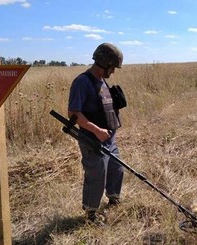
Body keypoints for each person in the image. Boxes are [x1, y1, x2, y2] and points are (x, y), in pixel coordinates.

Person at [67, 43, 125, 225]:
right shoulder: (82, 82)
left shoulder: (102, 81)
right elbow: (74, 113)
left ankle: (113, 198)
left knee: (117, 168)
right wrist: (97, 131)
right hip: (92, 138)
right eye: (113, 67)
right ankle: (90, 214)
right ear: (104, 63)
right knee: (96, 174)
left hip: (109, 138)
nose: (113, 71)